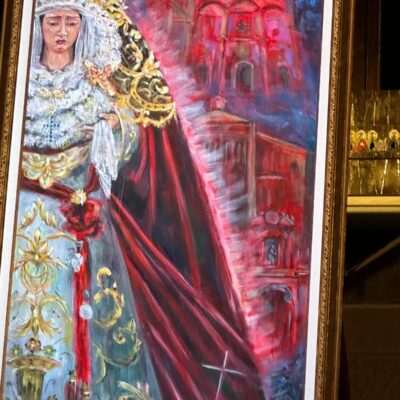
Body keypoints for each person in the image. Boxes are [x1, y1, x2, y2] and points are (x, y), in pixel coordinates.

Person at [4, 0, 264, 399]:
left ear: (83, 27)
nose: (61, 32)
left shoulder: (95, 88)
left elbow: (129, 138)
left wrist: (113, 125)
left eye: (70, 22)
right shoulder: (20, 84)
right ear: (38, 26)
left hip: (79, 225)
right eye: (53, 22)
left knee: (93, 330)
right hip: (23, 224)